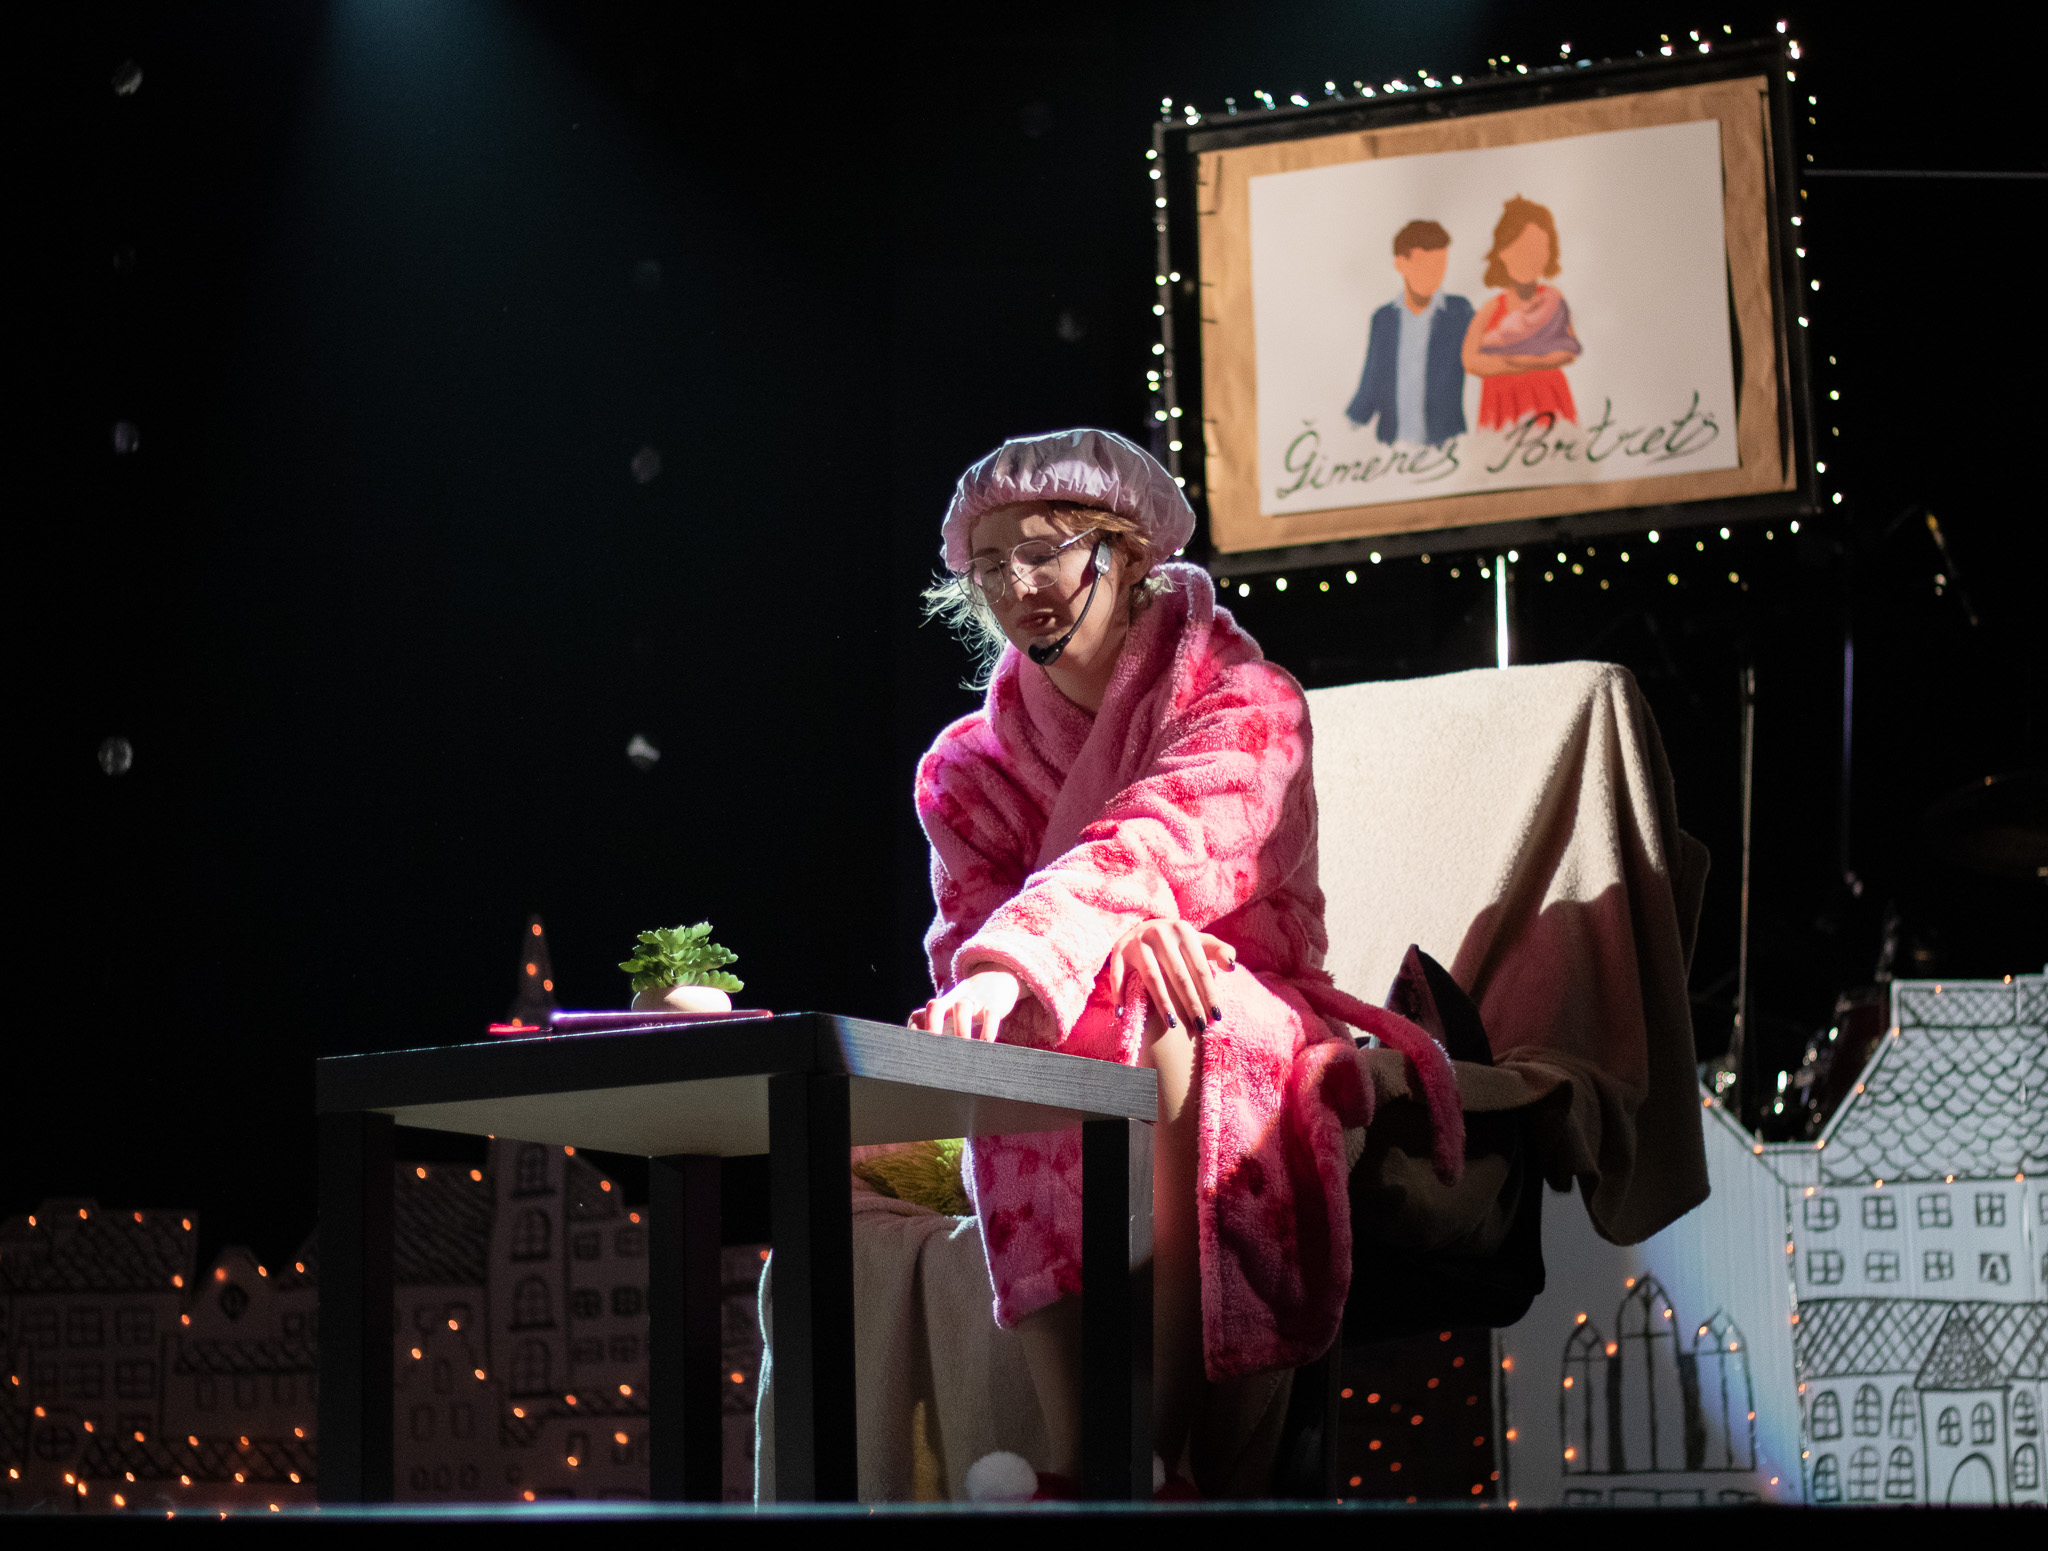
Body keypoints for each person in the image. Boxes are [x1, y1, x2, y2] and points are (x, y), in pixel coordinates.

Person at [911, 429, 1461, 1498]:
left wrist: (1032, 957)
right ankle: (1080, 1454)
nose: (1016, 585)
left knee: (1168, 999)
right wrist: (1054, 960)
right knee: (1020, 1034)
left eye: (1044, 551)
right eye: (990, 565)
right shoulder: (966, 771)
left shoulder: (1247, 701)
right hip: (1063, 989)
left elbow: (1162, 840)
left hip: (1238, 988)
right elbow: (969, 932)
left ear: (1122, 550)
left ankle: (1154, 1453)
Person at [1344, 219, 1475, 446]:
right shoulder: (1384, 318)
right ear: (1400, 264)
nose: (1433, 274)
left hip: (1445, 442)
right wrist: (1350, 423)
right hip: (1393, 444)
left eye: (1440, 264)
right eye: (1423, 265)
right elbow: (1372, 378)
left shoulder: (1459, 311)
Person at [1462, 195, 1583, 431]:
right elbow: (1470, 361)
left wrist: (1523, 359)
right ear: (1502, 252)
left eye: (1537, 249)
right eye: (1520, 248)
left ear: (1549, 253)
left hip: (1549, 402)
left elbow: (1569, 350)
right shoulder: (1491, 309)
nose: (1528, 258)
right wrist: (1519, 363)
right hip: (1503, 406)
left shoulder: (1553, 300)